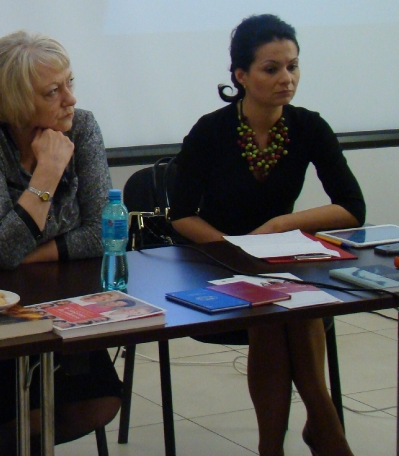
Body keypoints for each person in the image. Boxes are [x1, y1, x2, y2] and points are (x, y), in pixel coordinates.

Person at [168, 14, 363, 456]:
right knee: (278, 307)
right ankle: (324, 429)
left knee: (288, 299)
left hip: (278, 256)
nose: (286, 79)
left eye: (292, 66)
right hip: (214, 258)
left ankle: (278, 445)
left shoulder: (308, 126)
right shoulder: (211, 130)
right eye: (271, 69)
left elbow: (352, 207)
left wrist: (278, 226)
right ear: (241, 75)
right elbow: (181, 216)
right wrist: (234, 249)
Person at [0, 31, 121, 455]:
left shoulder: (82, 126)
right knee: (26, 420)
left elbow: (103, 231)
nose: (70, 99)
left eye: (69, 83)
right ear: (14, 103)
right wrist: (47, 172)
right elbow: (3, 250)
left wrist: (31, 257)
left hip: (47, 287)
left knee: (100, 403)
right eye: (53, 91)